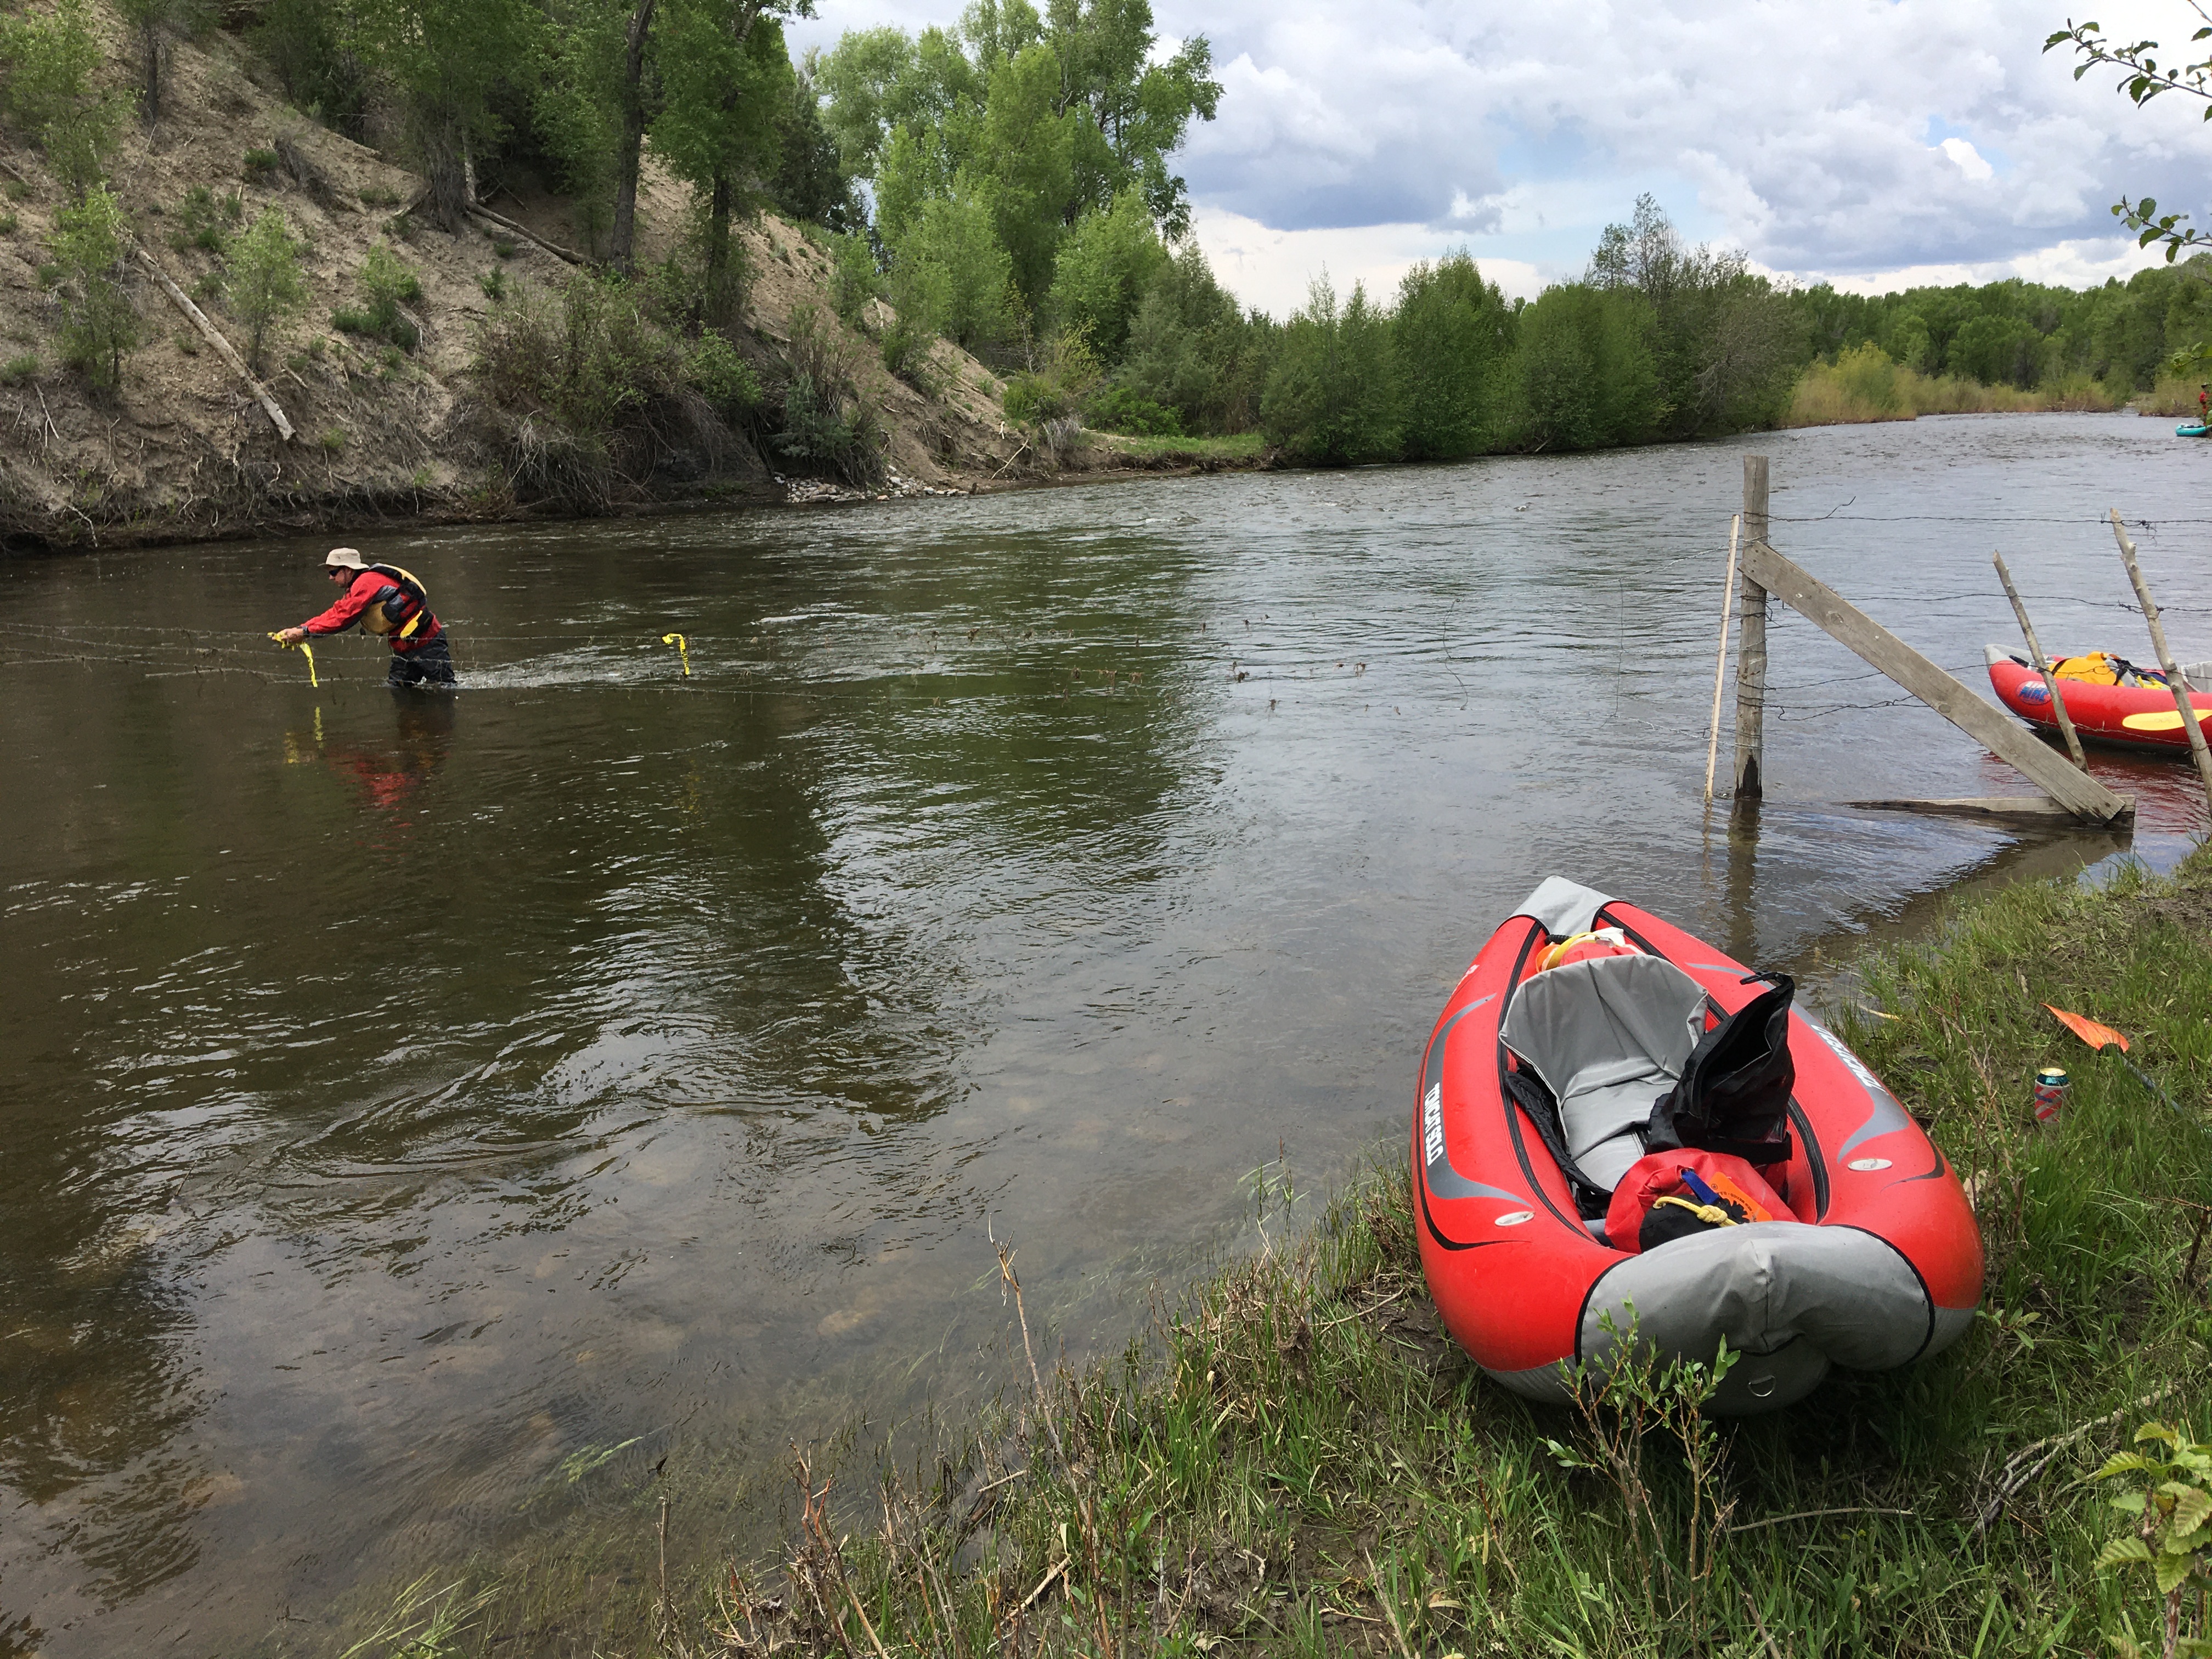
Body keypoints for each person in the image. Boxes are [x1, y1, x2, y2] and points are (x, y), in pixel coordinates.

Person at [278, 548, 457, 689]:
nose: (330, 578)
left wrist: (306, 632)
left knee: (443, 690)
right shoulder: (358, 586)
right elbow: (337, 612)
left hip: (428, 643)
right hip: (403, 645)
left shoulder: (366, 583)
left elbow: (343, 619)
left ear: (347, 570)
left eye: (333, 573)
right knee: (399, 690)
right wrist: (302, 628)